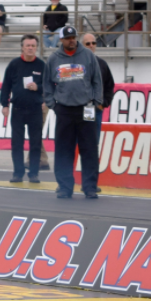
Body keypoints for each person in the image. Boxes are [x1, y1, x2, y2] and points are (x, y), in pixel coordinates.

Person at [44, 26, 102, 199]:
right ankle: (64, 187)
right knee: (63, 150)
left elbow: (97, 81)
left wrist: (96, 102)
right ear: (61, 40)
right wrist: (52, 104)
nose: (71, 40)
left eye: (73, 37)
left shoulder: (88, 55)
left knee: (89, 149)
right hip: (64, 110)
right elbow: (47, 85)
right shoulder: (53, 59)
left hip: (86, 108)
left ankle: (90, 187)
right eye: (68, 37)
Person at [0, 35, 47, 184]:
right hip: (18, 110)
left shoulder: (41, 65)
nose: (30, 48)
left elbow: (49, 86)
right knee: (17, 143)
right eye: (28, 45)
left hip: (35, 110)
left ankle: (33, 173)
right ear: (22, 47)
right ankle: (18, 173)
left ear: (36, 47)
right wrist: (5, 105)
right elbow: (6, 86)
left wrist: (38, 88)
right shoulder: (14, 64)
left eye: (33, 45)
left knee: (35, 143)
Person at [82, 33, 113, 143]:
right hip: (78, 110)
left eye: (94, 43)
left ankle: (92, 160)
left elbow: (110, 86)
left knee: (93, 142)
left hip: (95, 110)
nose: (91, 45)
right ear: (82, 45)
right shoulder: (75, 63)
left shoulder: (102, 64)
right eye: (88, 43)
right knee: (77, 143)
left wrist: (103, 103)